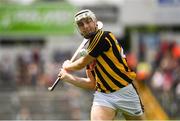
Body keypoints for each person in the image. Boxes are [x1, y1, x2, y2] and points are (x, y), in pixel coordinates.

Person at [58, 9, 145, 120]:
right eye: (81, 24)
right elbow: (91, 84)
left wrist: (67, 65)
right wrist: (68, 78)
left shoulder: (104, 36)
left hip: (125, 91)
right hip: (104, 95)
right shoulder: (89, 51)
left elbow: (80, 64)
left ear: (95, 22)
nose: (85, 26)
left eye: (88, 21)